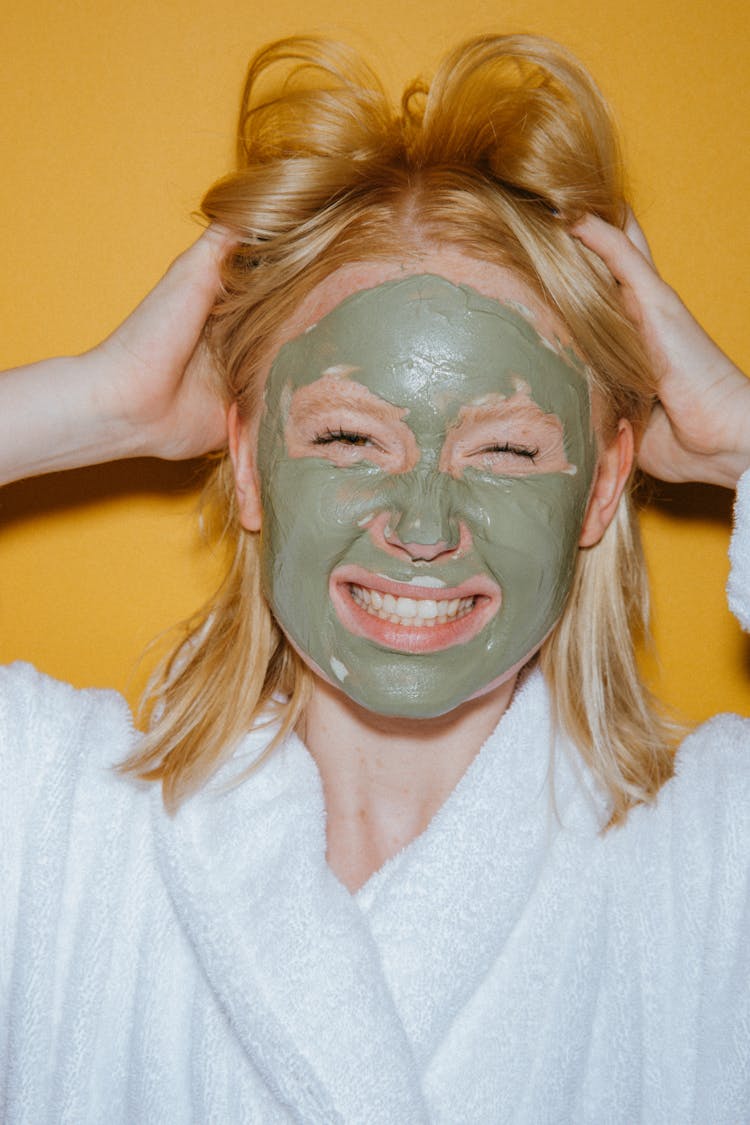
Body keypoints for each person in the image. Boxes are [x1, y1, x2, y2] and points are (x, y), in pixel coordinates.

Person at [1, 33, 749, 1124]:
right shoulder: (45, 823)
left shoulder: (718, 864)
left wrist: (743, 443)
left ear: (599, 494)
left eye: (505, 450)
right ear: (252, 463)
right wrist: (93, 402)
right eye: (351, 438)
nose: (425, 526)